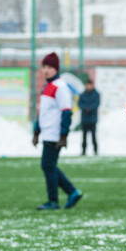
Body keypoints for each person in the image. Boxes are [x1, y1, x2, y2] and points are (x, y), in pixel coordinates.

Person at [32, 52, 83, 210]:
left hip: (55, 133)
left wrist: (63, 135)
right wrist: (36, 132)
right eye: (44, 67)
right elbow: (43, 112)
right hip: (47, 132)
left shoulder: (60, 87)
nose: (46, 70)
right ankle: (72, 192)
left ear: (56, 69)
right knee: (49, 165)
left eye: (50, 67)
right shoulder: (47, 86)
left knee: (48, 165)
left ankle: (53, 201)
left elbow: (67, 112)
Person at [78, 79, 100, 155]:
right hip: (84, 119)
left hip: (92, 119)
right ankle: (83, 151)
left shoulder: (96, 94)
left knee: (93, 136)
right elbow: (80, 104)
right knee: (84, 137)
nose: (88, 86)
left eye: (89, 85)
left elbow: (96, 104)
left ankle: (95, 151)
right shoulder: (82, 94)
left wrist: (89, 109)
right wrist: (85, 109)